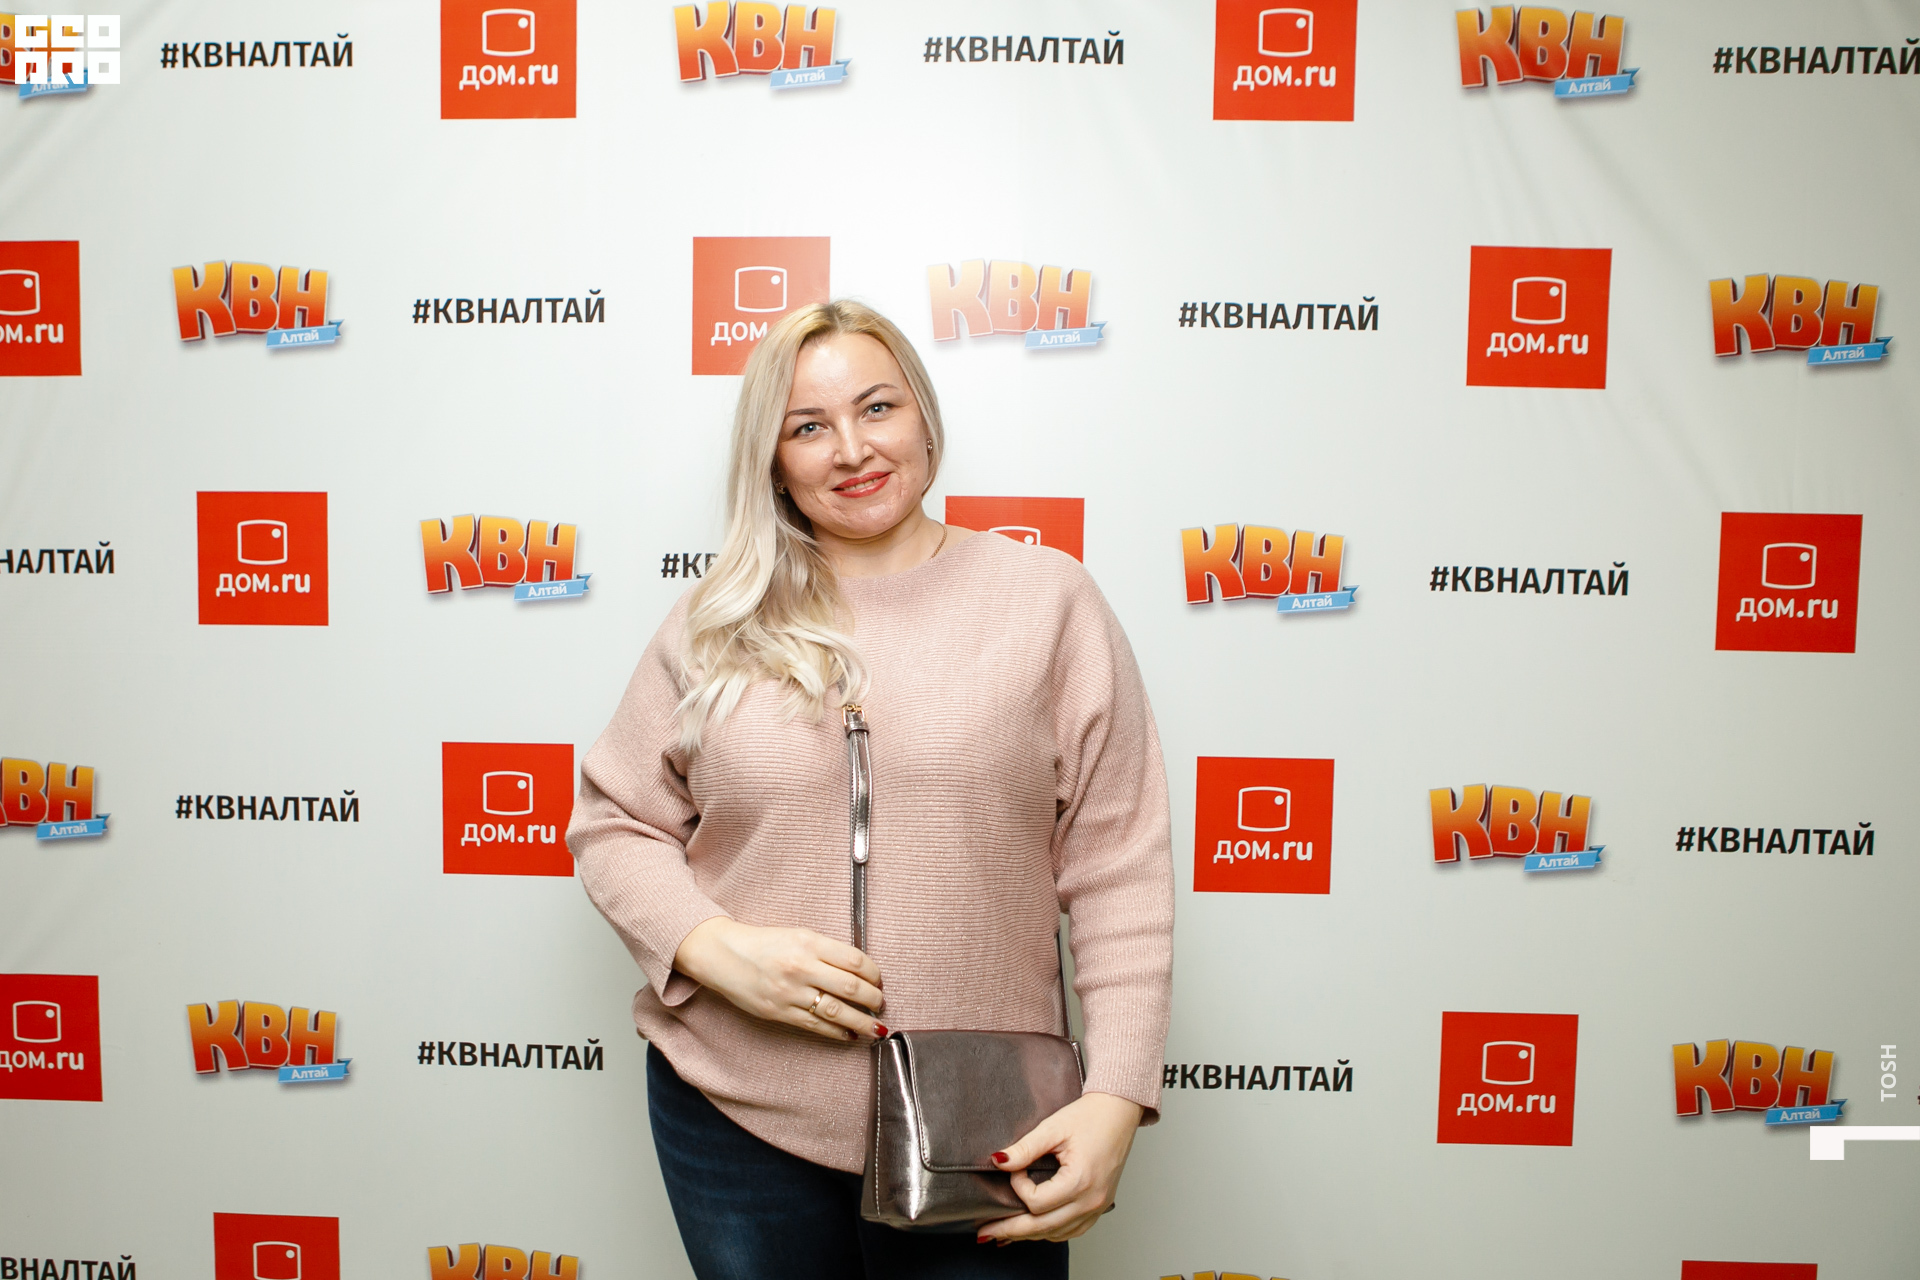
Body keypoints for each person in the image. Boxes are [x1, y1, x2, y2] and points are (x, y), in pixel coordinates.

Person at [568, 300, 1173, 1279]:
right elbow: (615, 821)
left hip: (983, 1122)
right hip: (735, 1116)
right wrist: (715, 949)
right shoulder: (718, 620)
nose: (852, 449)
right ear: (774, 462)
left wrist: (1116, 1093)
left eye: (878, 407)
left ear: (924, 418)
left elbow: (1120, 866)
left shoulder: (1049, 602)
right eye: (807, 426)